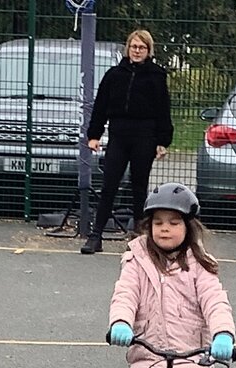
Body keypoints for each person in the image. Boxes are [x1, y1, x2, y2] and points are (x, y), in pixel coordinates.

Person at [104, 183, 235, 368]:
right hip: (149, 353)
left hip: (191, 356)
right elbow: (125, 294)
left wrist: (222, 334)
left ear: (188, 227)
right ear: (148, 226)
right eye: (158, 223)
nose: (165, 229)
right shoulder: (137, 260)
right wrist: (121, 323)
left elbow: (215, 301)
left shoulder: (199, 263)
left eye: (174, 223)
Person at [81, 29, 174, 256]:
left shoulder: (157, 76)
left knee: (139, 187)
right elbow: (100, 106)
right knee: (109, 185)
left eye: (142, 47)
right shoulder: (114, 75)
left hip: (145, 135)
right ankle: (96, 235)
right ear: (128, 48)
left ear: (149, 51)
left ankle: (139, 239)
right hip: (119, 135)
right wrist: (94, 135)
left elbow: (163, 110)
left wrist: (162, 141)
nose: (137, 51)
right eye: (134, 47)